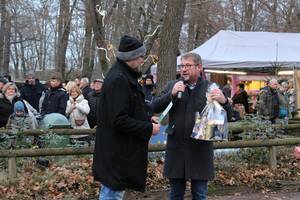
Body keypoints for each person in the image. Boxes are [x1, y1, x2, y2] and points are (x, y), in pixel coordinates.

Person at [151, 52, 232, 200]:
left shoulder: (211, 87)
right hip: (176, 148)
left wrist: (224, 101)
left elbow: (228, 115)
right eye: (181, 66)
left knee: (199, 194)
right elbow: (155, 106)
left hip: (200, 149)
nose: (183, 69)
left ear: (199, 67)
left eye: (188, 65)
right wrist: (172, 94)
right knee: (175, 194)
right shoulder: (173, 85)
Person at [93, 35, 160, 199]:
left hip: (118, 153)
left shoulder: (123, 76)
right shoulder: (119, 79)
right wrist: (148, 128)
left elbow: (128, 110)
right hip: (117, 154)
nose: (143, 60)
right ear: (130, 58)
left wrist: (146, 119)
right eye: (141, 57)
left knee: (112, 193)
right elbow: (119, 120)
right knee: (111, 194)